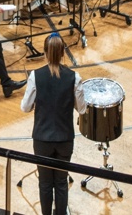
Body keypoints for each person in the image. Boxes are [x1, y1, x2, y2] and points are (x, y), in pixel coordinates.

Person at [20, 34, 86, 215]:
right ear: (63, 53)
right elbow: (81, 109)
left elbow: (25, 107)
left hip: (42, 139)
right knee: (61, 182)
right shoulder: (74, 77)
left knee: (45, 183)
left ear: (45, 53)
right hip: (65, 139)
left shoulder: (35, 76)